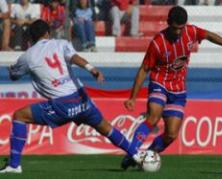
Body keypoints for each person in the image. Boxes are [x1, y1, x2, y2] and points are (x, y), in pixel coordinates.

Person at [0, 19, 133, 174]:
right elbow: (74, 57)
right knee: (105, 127)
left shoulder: (28, 56)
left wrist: (13, 70)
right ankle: (136, 154)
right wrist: (92, 69)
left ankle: (14, 165)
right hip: (81, 98)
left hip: (62, 105)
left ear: (30, 37)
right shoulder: (61, 43)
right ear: (47, 33)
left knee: (19, 116)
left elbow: (14, 75)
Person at [121, 6, 222, 170]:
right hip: (159, 83)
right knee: (153, 117)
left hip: (178, 89)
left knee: (171, 135)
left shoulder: (191, 32)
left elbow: (210, 35)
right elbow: (144, 69)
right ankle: (132, 152)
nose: (178, 32)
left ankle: (146, 156)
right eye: (175, 28)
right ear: (168, 23)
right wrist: (133, 97)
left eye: (181, 28)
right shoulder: (158, 42)